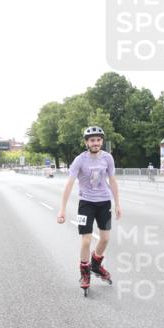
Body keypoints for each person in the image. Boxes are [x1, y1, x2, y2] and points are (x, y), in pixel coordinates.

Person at [57, 126, 122, 294]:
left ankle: (96, 265)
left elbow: (113, 181)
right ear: (86, 142)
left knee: (105, 238)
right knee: (86, 240)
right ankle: (85, 273)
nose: (96, 143)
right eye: (92, 140)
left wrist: (118, 204)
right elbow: (69, 184)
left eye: (98, 140)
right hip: (85, 203)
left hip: (104, 202)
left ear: (102, 141)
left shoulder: (108, 158)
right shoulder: (80, 160)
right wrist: (62, 210)